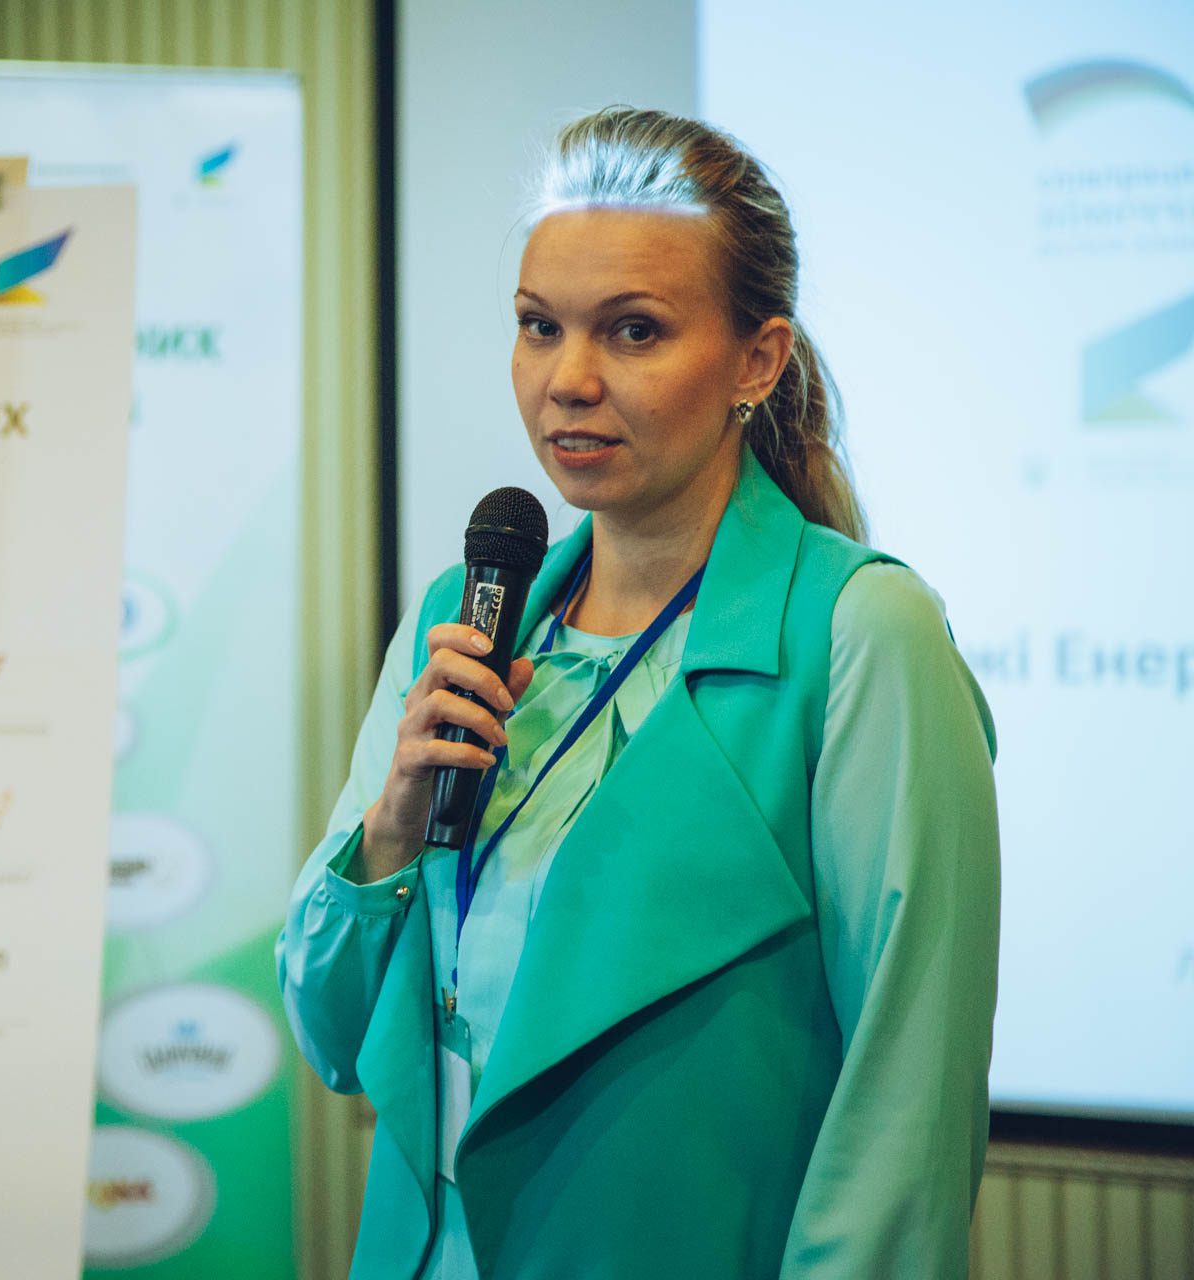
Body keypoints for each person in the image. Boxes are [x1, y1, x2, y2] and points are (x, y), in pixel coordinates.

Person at [277, 106, 1000, 1279]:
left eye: (634, 330)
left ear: (756, 360)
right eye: (537, 326)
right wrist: (390, 827)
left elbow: (905, 1117)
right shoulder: (462, 617)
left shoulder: (862, 633)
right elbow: (338, 1039)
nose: (569, 380)